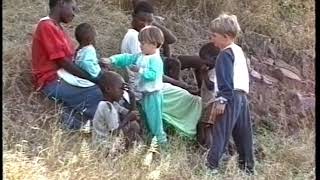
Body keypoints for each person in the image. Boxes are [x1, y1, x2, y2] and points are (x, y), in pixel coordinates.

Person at [118, 1, 202, 138]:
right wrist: (182, 84)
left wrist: (153, 25)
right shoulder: (135, 37)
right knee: (193, 101)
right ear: (133, 17)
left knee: (191, 97)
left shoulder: (145, 35)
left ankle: (187, 133)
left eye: (149, 21)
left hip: (152, 84)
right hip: (145, 88)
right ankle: (190, 134)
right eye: (141, 20)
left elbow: (169, 41)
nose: (145, 24)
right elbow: (151, 73)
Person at [31, 0, 103, 130]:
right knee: (97, 93)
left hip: (61, 77)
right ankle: (95, 127)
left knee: (99, 89)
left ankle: (75, 122)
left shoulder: (57, 27)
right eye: (73, 9)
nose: (74, 14)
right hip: (51, 80)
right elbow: (63, 61)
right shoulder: (46, 26)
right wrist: (93, 78)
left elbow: (70, 60)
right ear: (62, 3)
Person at [205, 13, 254, 175]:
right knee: (244, 134)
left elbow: (225, 79)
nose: (212, 40)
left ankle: (211, 167)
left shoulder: (224, 54)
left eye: (214, 36)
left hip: (230, 97)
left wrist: (221, 100)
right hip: (242, 97)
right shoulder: (238, 50)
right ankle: (248, 168)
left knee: (221, 132)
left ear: (226, 37)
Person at [105, 26, 167, 144]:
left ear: (154, 44)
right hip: (145, 95)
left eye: (143, 43)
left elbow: (153, 74)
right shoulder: (141, 56)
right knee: (147, 120)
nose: (140, 45)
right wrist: (112, 60)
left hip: (154, 95)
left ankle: (162, 146)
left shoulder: (156, 60)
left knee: (156, 123)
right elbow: (127, 58)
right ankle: (150, 142)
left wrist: (140, 70)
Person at [93, 71, 141, 149]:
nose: (123, 92)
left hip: (111, 141)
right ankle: (137, 151)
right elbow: (115, 133)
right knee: (133, 126)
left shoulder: (114, 105)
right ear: (108, 89)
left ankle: (139, 150)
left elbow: (133, 114)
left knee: (134, 125)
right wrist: (128, 118)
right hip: (104, 146)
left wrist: (132, 98)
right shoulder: (106, 107)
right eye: (121, 88)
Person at [196, 42, 220, 148]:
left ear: (214, 59)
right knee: (204, 126)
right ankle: (204, 147)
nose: (203, 62)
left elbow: (211, 86)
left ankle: (208, 149)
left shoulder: (215, 72)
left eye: (205, 59)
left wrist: (204, 74)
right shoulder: (212, 70)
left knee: (206, 127)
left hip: (212, 103)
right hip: (209, 102)